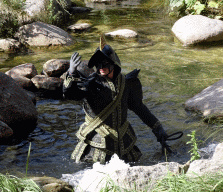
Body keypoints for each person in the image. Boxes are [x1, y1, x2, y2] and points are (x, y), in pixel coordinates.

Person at [63, 35, 173, 164]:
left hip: (124, 143)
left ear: (114, 64)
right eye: (98, 64)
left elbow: (139, 108)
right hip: (97, 143)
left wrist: (157, 128)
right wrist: (71, 73)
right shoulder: (90, 84)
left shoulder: (127, 83)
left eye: (105, 63)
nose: (101, 67)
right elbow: (71, 95)